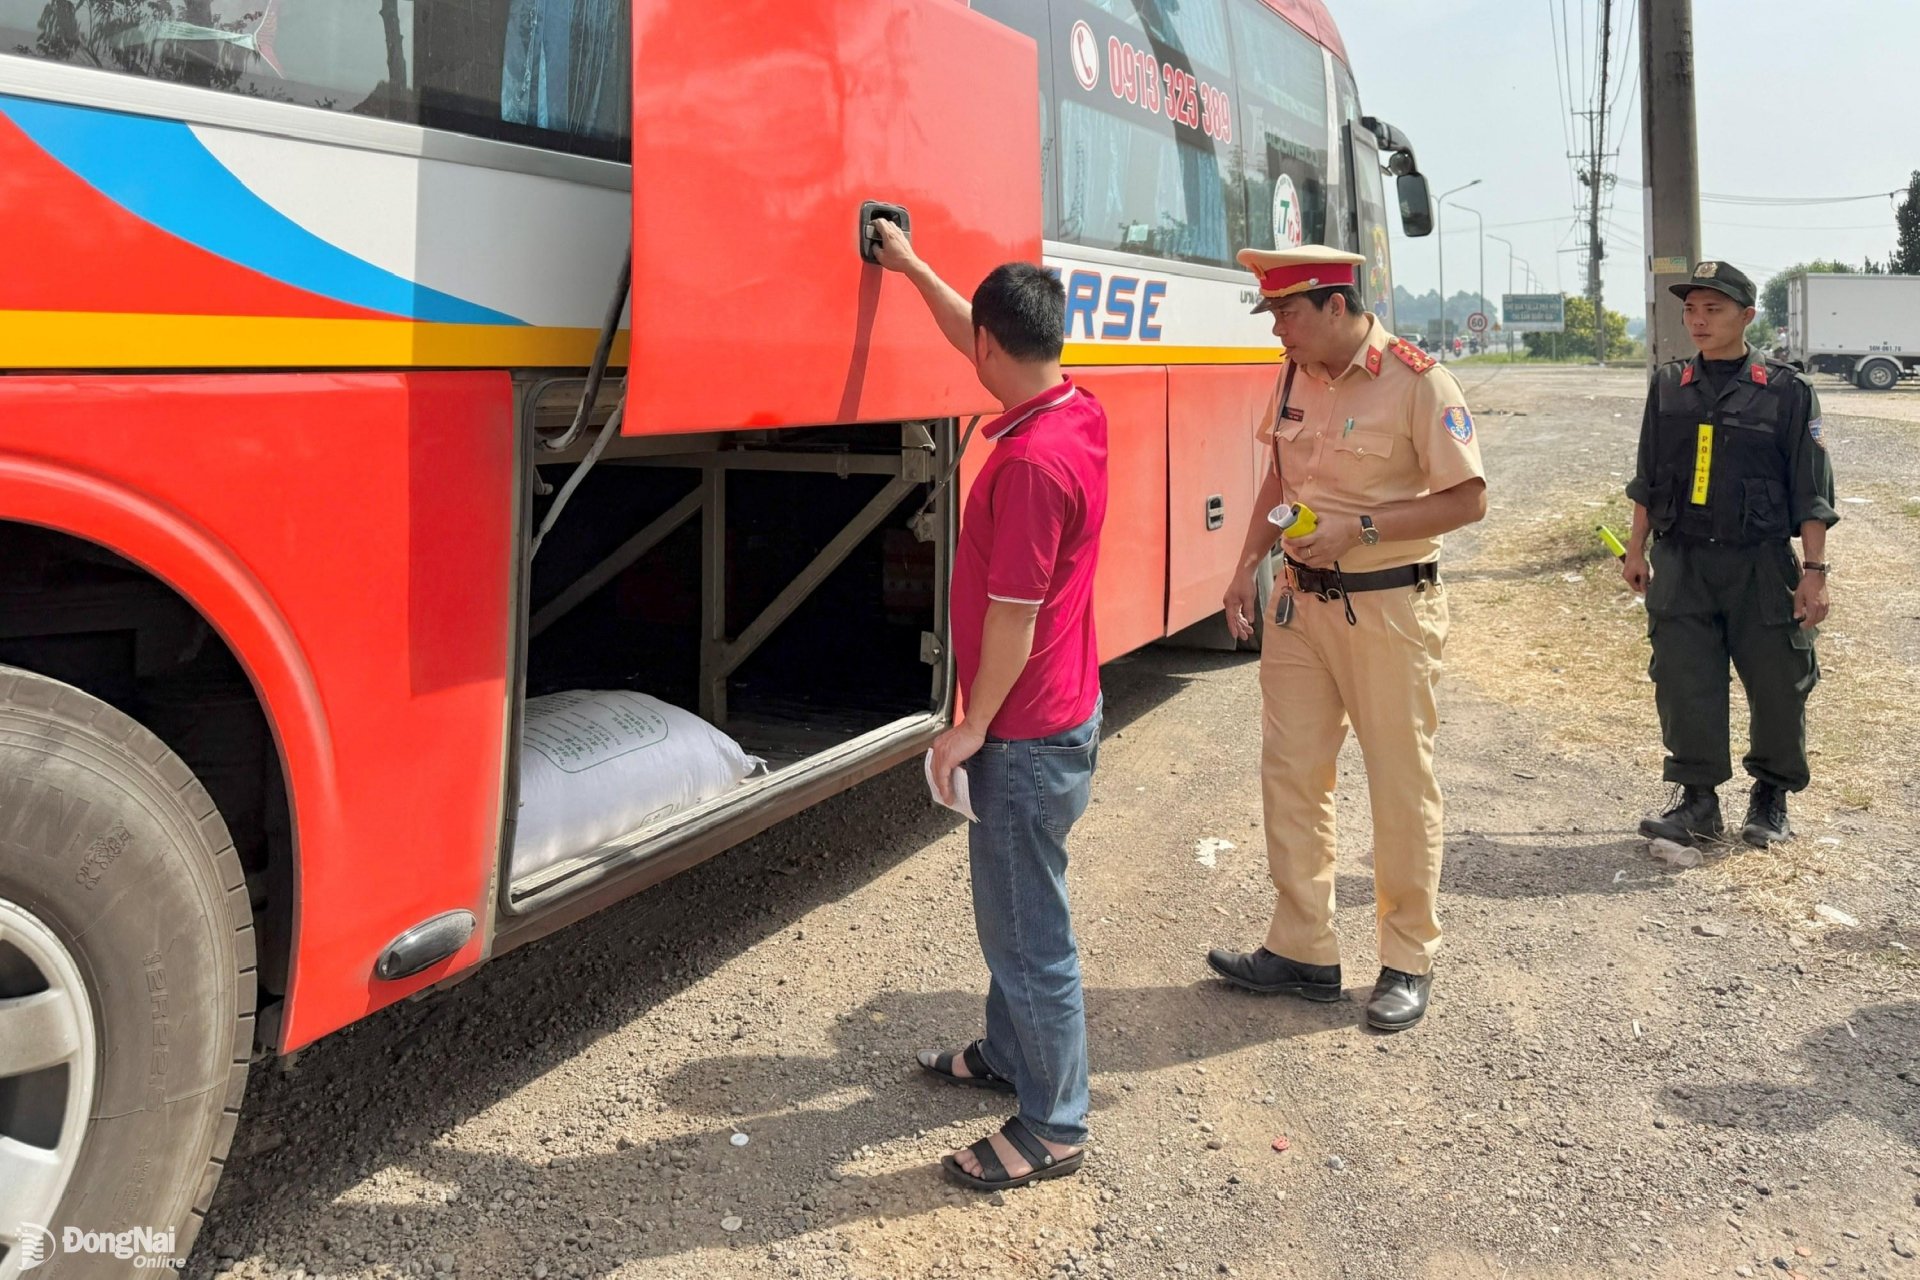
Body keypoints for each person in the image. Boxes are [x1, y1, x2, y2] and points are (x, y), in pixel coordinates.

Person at [870, 219, 1108, 1190]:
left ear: (987, 352)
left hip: (1026, 733)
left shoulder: (1028, 465)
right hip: (1061, 715)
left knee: (1026, 931)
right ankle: (1010, 1058)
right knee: (1016, 916)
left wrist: (969, 725)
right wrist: (910, 263)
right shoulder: (1073, 408)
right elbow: (977, 325)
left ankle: (1053, 1123)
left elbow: (1010, 620)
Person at [1207, 245, 1487, 1032]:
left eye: (1286, 314)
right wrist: (1245, 568)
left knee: (1400, 782)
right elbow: (1278, 474)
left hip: (1389, 608)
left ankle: (1406, 959)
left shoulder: (1419, 381)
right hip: (1301, 607)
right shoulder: (1297, 373)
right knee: (1293, 775)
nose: (1276, 332)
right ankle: (1303, 948)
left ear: (1336, 306)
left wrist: (1363, 527)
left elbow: (1467, 501)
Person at [1622, 260, 1837, 848]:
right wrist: (1635, 549)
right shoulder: (1669, 386)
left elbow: (1812, 492)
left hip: (1758, 564)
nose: (1697, 320)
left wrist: (1814, 574)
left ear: (1746, 316)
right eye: (1690, 309)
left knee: (1777, 682)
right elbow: (1647, 477)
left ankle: (1769, 799)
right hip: (1683, 561)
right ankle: (1697, 802)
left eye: (1712, 309)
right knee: (1684, 679)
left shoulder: (1788, 391)